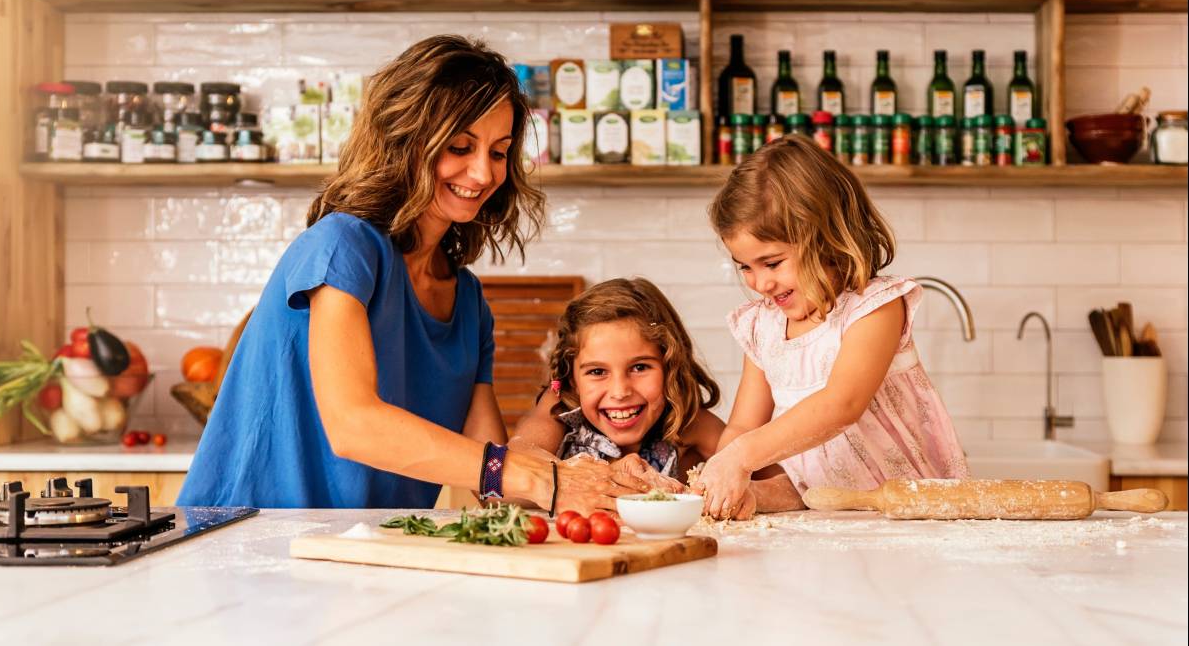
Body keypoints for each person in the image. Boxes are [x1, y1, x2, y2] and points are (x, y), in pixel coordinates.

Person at [178, 36, 630, 513]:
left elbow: (492, 482)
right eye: (460, 146)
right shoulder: (342, 246)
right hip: (244, 540)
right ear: (406, 139)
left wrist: (603, 479)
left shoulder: (468, 301)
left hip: (356, 553)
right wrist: (535, 475)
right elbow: (354, 425)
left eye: (498, 152)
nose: (481, 173)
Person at [697, 135, 969, 520]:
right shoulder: (762, 326)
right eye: (745, 266)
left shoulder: (873, 309)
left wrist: (741, 457)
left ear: (826, 238)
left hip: (907, 515)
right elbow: (743, 425)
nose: (759, 283)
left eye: (772, 263)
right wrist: (721, 473)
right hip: (826, 519)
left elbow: (840, 406)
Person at [512, 277, 799, 520]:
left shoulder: (690, 425)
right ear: (573, 378)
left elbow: (794, 486)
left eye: (640, 368)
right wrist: (599, 478)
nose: (620, 391)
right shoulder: (560, 407)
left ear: (669, 366)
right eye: (597, 371)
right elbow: (506, 472)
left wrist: (745, 495)